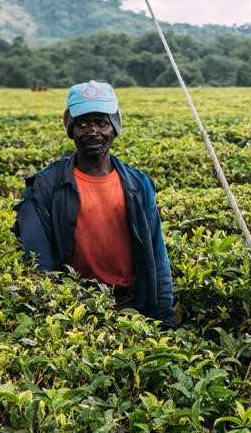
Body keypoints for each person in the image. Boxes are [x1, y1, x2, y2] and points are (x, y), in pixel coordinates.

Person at [12, 80, 176, 330]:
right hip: (74, 309)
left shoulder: (138, 184)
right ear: (70, 127)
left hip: (130, 303)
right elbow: (37, 259)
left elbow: (157, 256)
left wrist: (165, 320)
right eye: (83, 123)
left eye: (101, 122)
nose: (92, 131)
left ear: (115, 126)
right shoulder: (46, 185)